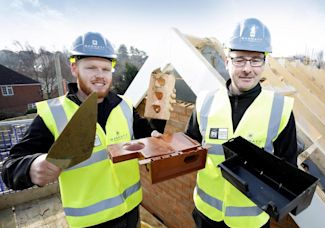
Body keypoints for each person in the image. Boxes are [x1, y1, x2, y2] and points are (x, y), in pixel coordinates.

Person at [1, 32, 165, 227]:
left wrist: (157, 133)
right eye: (91, 68)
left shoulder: (125, 106)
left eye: (105, 69)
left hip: (130, 211)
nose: (100, 75)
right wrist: (31, 167)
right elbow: (10, 167)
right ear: (74, 68)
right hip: (90, 222)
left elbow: (144, 133)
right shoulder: (54, 114)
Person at [186, 18, 298, 228]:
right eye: (239, 59)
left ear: (265, 63)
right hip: (207, 215)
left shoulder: (280, 110)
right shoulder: (205, 102)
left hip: (250, 222)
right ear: (227, 61)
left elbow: (288, 168)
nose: (248, 68)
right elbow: (187, 149)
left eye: (255, 60)